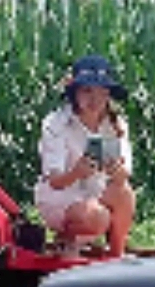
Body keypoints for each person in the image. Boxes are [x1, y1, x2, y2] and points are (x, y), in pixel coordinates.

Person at [35, 54, 136, 255]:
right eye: (87, 91)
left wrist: (116, 171)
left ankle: (117, 253)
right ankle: (66, 238)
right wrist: (76, 172)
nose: (95, 99)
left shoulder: (116, 125)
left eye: (102, 92)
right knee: (97, 217)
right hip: (62, 198)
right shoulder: (56, 124)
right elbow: (55, 181)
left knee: (125, 193)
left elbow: (124, 176)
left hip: (96, 194)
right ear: (74, 93)